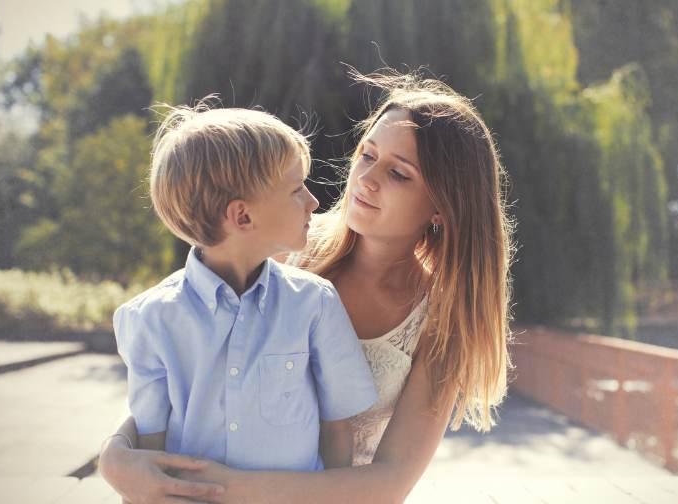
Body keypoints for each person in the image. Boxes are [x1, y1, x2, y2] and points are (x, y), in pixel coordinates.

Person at [99, 70, 514, 503]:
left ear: (442, 207)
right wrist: (116, 459)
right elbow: (186, 373)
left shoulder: (443, 320)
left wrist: (221, 489)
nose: (367, 178)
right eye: (368, 155)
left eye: (399, 174)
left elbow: (390, 484)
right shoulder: (284, 244)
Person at [110, 103, 378, 489]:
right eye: (295, 188)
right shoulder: (148, 319)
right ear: (242, 217)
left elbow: (337, 429)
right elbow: (150, 450)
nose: (313, 201)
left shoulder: (314, 303)